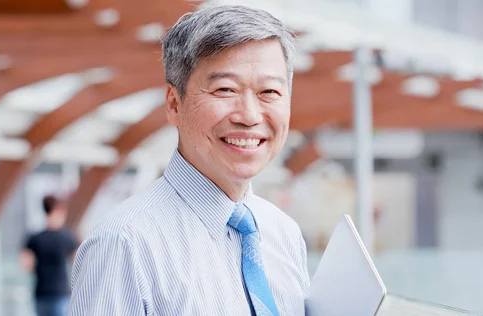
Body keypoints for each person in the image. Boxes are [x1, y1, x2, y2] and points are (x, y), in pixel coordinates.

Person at [69, 5, 309, 316]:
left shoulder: (283, 233)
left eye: (269, 91)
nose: (249, 116)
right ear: (174, 104)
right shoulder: (125, 244)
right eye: (225, 89)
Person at [21, 195, 78, 316]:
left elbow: (25, 263)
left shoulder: (36, 238)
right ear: (58, 211)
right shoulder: (67, 237)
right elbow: (78, 261)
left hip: (41, 291)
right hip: (61, 292)